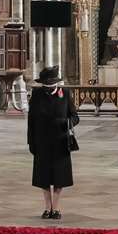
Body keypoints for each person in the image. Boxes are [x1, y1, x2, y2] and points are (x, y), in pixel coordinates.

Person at [27, 66, 79, 220]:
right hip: (41, 142)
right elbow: (31, 121)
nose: (48, 87)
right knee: (43, 176)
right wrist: (31, 142)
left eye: (50, 84)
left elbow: (75, 116)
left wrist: (67, 123)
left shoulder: (66, 94)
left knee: (59, 176)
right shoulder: (36, 94)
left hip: (60, 142)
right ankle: (47, 207)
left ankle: (55, 208)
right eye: (45, 84)